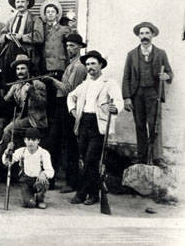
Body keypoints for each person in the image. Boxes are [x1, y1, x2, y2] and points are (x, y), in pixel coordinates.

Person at [67, 50, 123, 205]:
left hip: (99, 125)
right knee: (86, 160)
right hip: (84, 122)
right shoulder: (84, 84)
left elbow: (118, 100)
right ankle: (94, 194)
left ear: (100, 65)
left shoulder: (109, 83)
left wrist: (115, 108)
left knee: (91, 159)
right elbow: (70, 96)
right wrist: (72, 110)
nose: (90, 67)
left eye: (93, 63)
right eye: (87, 64)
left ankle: (81, 193)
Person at [122, 22, 173, 164]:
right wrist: (127, 97)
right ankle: (142, 157)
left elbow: (169, 73)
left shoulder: (160, 53)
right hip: (137, 94)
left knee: (154, 124)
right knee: (140, 125)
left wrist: (166, 77)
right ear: (138, 36)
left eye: (147, 33)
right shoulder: (131, 54)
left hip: (153, 94)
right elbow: (126, 76)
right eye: (142, 33)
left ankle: (157, 157)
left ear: (152, 35)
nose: (144, 36)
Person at [43, 33, 87, 193]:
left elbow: (69, 89)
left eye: (73, 46)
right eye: (67, 46)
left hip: (70, 106)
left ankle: (72, 182)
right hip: (61, 105)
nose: (69, 49)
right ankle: (50, 180)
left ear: (80, 47)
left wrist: (52, 81)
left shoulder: (80, 66)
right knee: (53, 142)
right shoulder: (71, 64)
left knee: (70, 145)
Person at [0, 54, 47, 161]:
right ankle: (12, 162)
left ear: (28, 70)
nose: (20, 71)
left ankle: (1, 163)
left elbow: (43, 104)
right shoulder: (16, 85)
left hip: (34, 118)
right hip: (21, 116)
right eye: (18, 69)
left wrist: (33, 93)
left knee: (8, 130)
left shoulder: (37, 84)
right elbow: (5, 100)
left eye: (23, 68)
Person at [0, 0, 44, 83]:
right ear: (15, 4)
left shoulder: (35, 19)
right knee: (9, 76)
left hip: (26, 51)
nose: (20, 4)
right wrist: (7, 36)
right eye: (17, 2)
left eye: (22, 2)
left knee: (26, 78)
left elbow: (39, 37)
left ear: (27, 3)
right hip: (10, 52)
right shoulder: (11, 20)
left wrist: (22, 37)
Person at [3, 128, 54, 209]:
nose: (30, 142)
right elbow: (7, 162)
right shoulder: (21, 151)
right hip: (26, 182)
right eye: (28, 139)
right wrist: (8, 151)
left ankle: (40, 199)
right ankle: (29, 198)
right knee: (30, 204)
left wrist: (44, 173)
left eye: (34, 140)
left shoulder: (44, 153)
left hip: (38, 181)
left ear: (38, 141)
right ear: (25, 140)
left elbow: (51, 171)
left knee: (44, 182)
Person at [40, 0, 72, 77]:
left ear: (57, 14)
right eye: (48, 12)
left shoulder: (64, 29)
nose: (50, 14)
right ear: (45, 15)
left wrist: (72, 26)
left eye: (53, 12)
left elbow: (71, 41)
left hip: (59, 65)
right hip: (44, 66)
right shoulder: (41, 29)